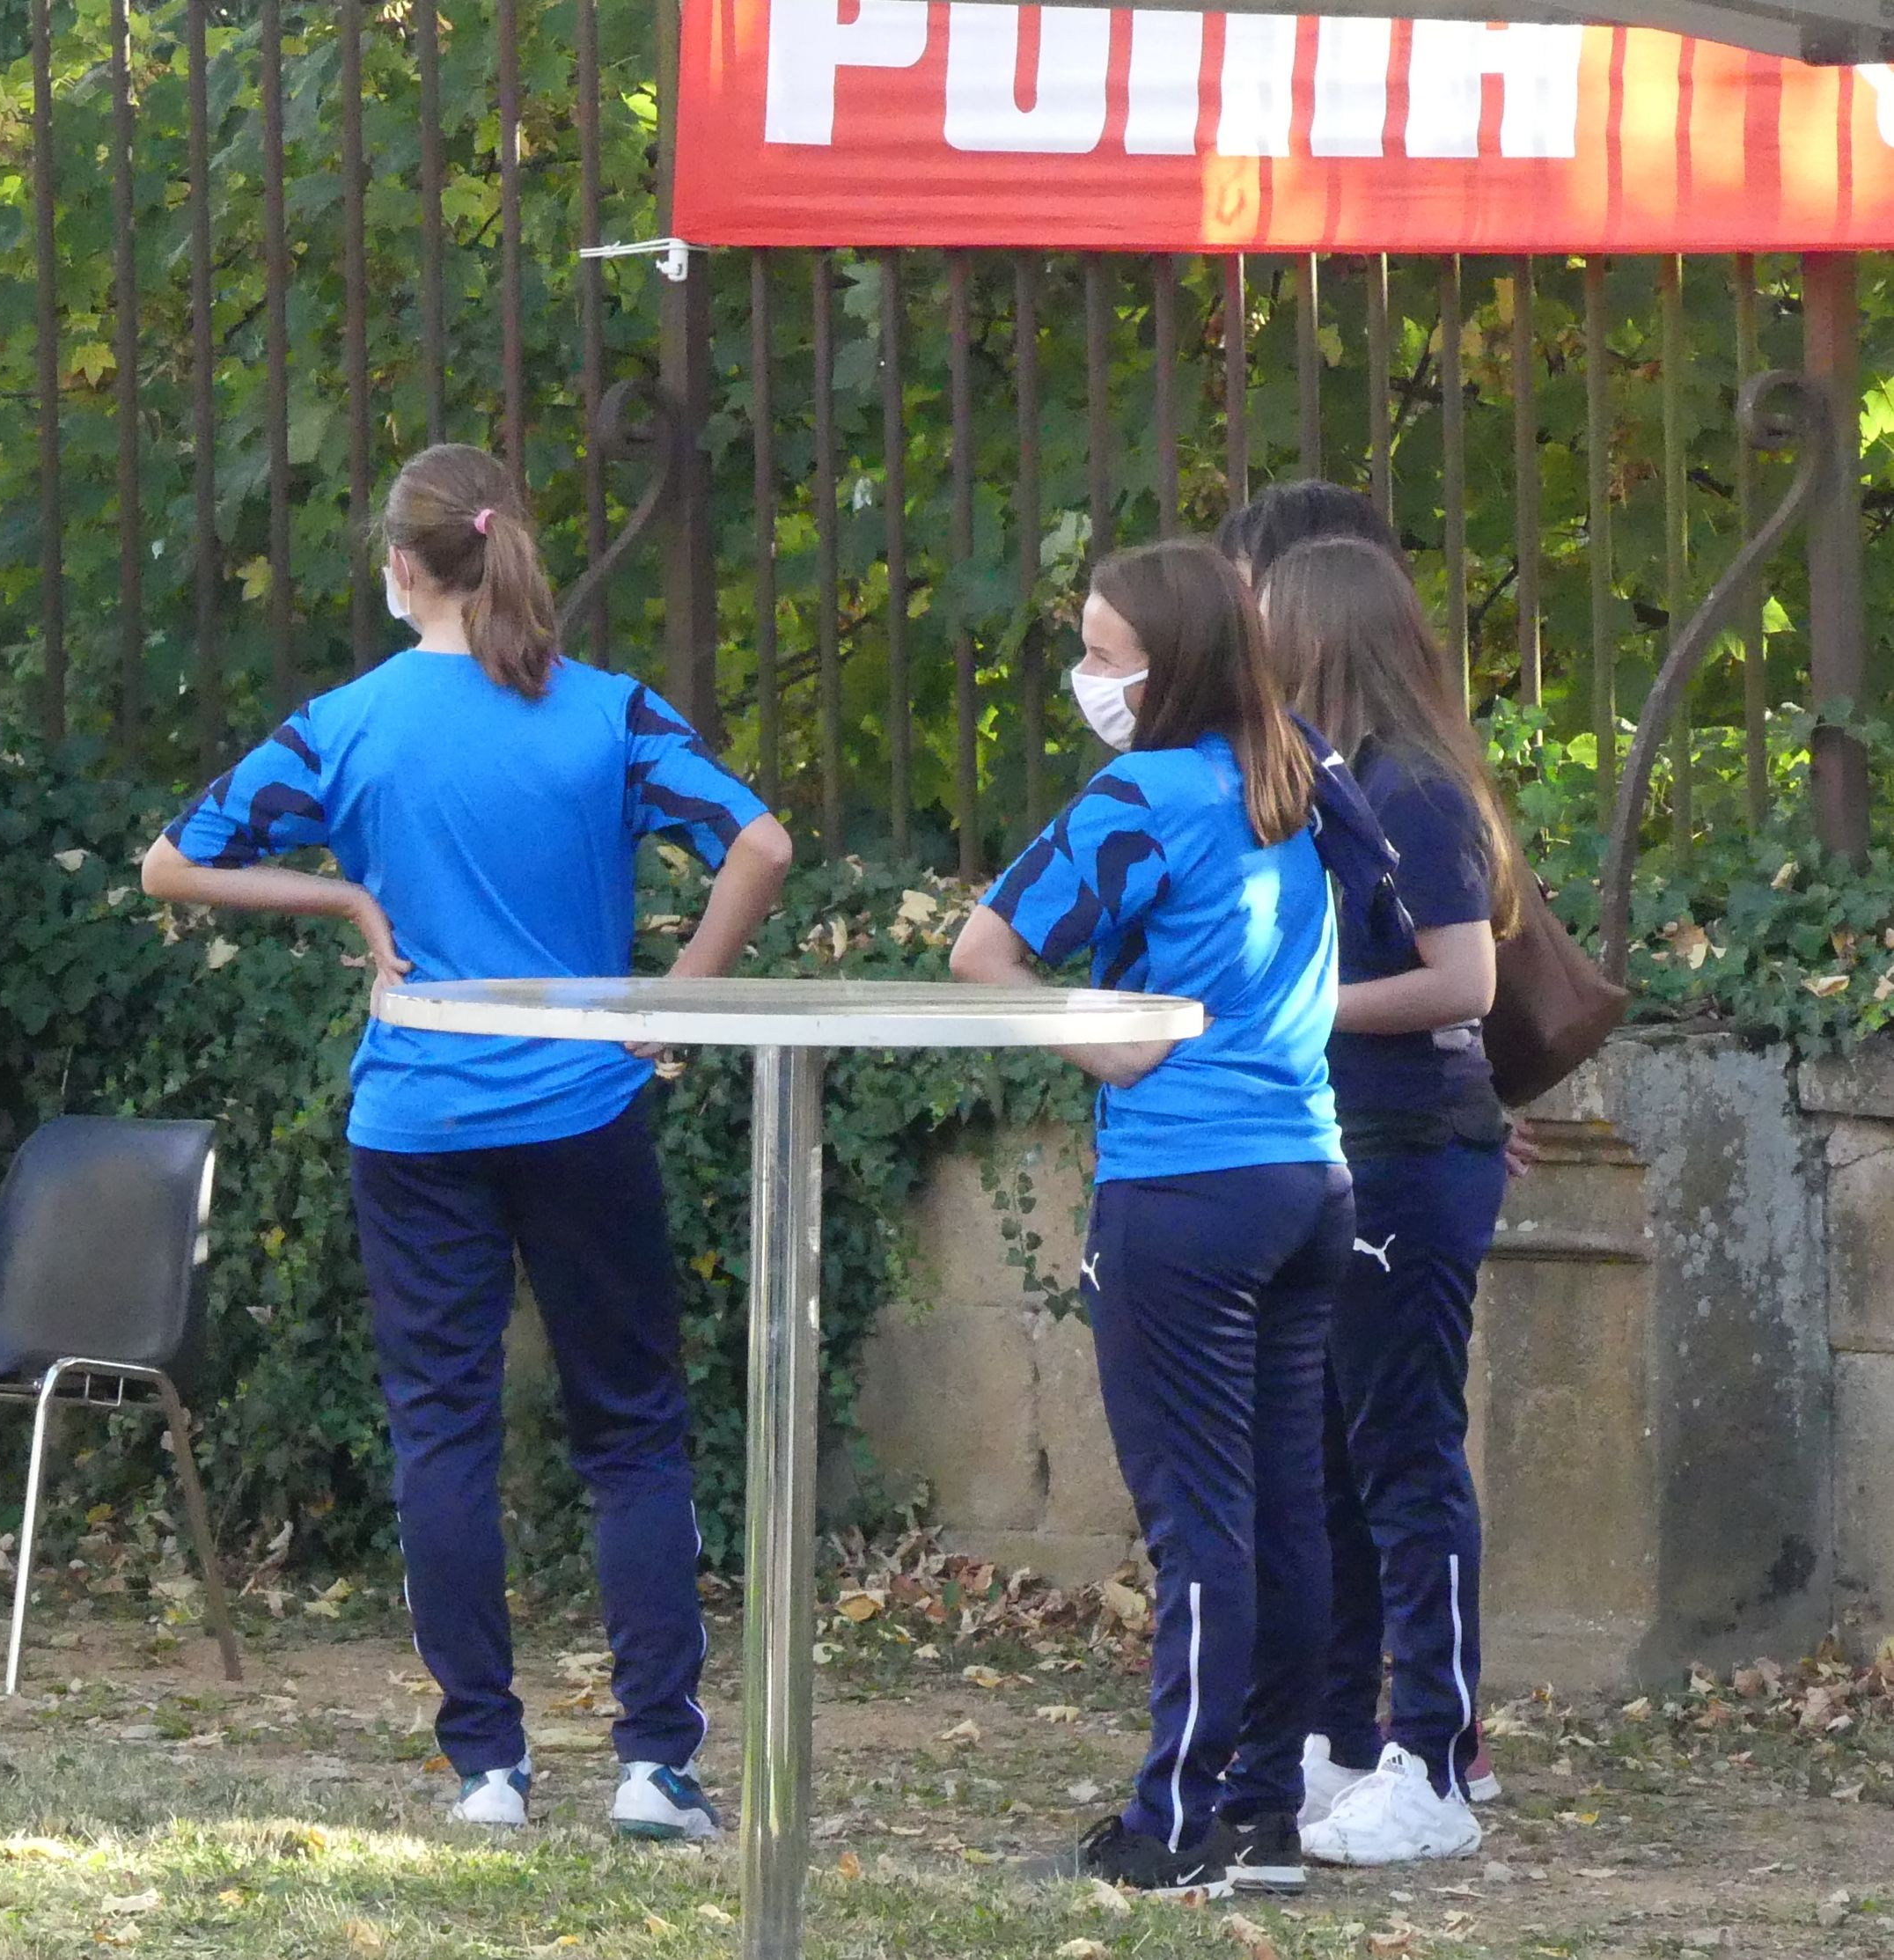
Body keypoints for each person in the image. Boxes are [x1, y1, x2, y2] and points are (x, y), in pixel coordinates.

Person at [143, 444, 793, 1839]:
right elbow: (763, 845)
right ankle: (653, 1766)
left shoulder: (346, 723)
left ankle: (486, 1771)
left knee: (442, 1433)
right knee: (631, 1435)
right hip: (582, 1110)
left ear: (397, 565)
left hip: (416, 1115)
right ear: (504, 550)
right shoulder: (608, 713)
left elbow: (173, 860)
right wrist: (672, 1009)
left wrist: (350, 909)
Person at [951, 538, 1371, 1898]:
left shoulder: (1144, 793)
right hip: (1307, 1181)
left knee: (1202, 1523)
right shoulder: (1292, 781)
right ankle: (1261, 1813)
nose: (1086, 676)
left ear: (1168, 664)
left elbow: (984, 951)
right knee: (1285, 1512)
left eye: (1102, 652)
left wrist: (1099, 1047)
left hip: (1182, 1191)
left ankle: (1175, 1823)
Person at [1219, 480, 1511, 1820]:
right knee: (1330, 1459)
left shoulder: (1415, 790)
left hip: (1410, 1148)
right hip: (1343, 1141)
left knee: (1401, 1458)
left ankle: (1439, 1760)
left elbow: (1466, 982)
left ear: (1318, 641)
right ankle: (1343, 1733)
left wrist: (1303, 1007)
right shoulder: (1331, 788)